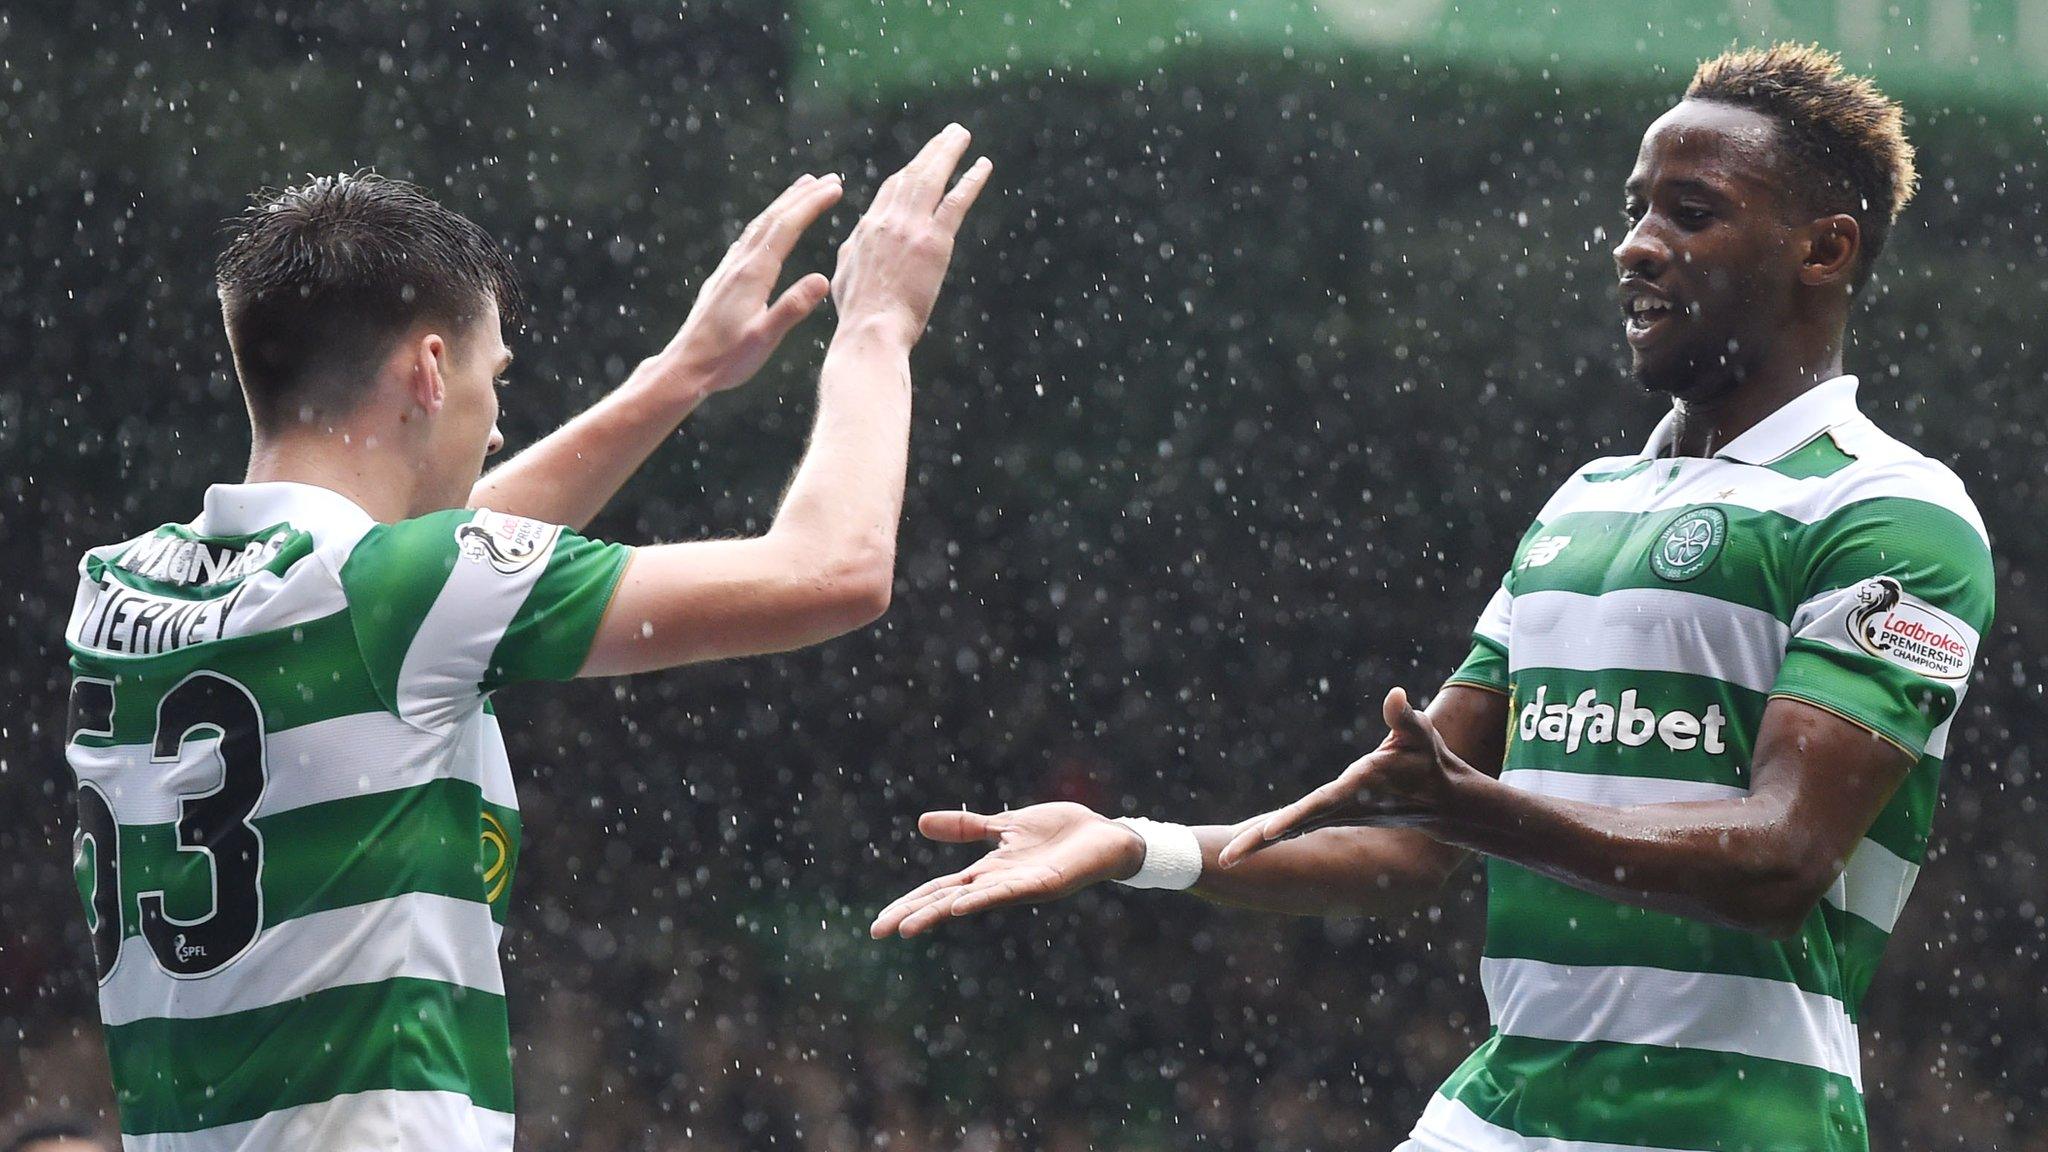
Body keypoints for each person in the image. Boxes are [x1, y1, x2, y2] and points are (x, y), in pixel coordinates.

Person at [872, 45, 1990, 1152]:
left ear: (1823, 248)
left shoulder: (1891, 511)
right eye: (1635, 207)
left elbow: (1779, 859)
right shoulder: (1582, 503)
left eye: (1690, 214)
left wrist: (1476, 809)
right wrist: (1133, 846)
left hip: (1732, 1127)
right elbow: (1406, 842)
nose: (1636, 246)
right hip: (1492, 1117)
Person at [61, 127, 990, 1150]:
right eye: (490, 377)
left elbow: (427, 571)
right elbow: (836, 570)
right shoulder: (403, 592)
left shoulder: (119, 591)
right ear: (425, 370)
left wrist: (675, 378)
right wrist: (877, 327)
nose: (496, 420)